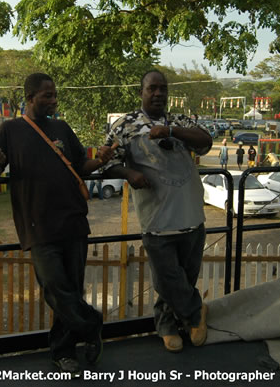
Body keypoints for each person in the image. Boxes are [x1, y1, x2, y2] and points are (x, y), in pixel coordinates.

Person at [0, 73, 114, 377]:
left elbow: (80, 164)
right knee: (54, 287)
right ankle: (92, 326)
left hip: (73, 220)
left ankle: (65, 352)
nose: (54, 100)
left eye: (54, 95)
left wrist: (102, 159)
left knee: (72, 289)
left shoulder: (62, 128)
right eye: (47, 96)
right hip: (37, 224)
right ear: (29, 97)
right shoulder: (10, 130)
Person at [103, 69, 213, 353]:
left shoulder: (179, 120)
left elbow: (205, 142)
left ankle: (167, 326)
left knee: (184, 278)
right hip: (156, 218)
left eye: (162, 89)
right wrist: (129, 173)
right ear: (141, 92)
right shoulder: (125, 125)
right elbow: (108, 162)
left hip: (191, 215)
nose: (158, 94)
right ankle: (195, 313)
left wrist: (172, 131)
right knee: (167, 278)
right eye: (152, 88)